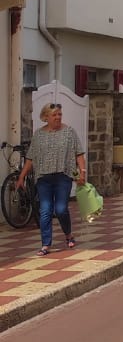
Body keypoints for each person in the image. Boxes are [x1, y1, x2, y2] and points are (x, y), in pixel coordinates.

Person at [17, 101, 87, 255]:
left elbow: (79, 154)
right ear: (46, 117)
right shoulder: (38, 135)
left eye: (59, 114)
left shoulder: (69, 132)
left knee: (61, 209)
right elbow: (30, 158)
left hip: (63, 177)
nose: (58, 117)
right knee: (45, 210)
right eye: (54, 115)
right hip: (44, 179)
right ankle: (45, 244)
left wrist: (82, 172)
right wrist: (21, 177)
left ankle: (68, 235)